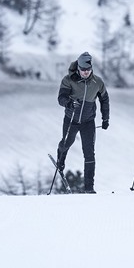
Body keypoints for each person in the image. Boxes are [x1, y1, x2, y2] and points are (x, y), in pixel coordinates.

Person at [56, 52, 110, 194]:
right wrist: (69, 103)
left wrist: (106, 119)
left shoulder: (97, 82)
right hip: (71, 119)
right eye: (83, 70)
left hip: (88, 122)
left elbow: (105, 100)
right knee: (66, 143)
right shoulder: (69, 80)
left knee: (89, 153)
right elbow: (61, 98)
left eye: (88, 70)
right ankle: (60, 161)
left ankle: (89, 187)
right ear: (78, 68)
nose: (85, 72)